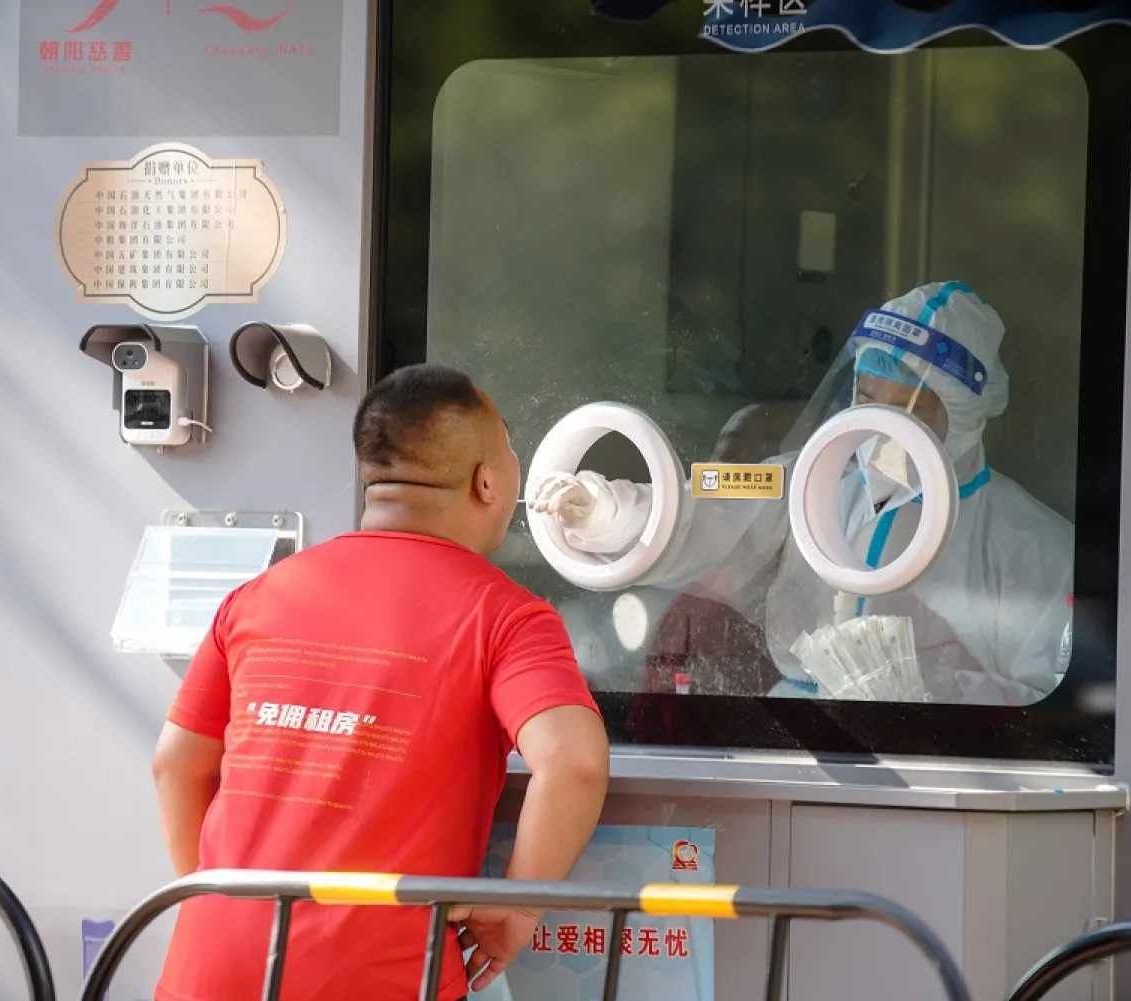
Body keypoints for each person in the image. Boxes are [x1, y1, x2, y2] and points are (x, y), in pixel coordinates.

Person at [151, 364, 609, 1001]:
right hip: (389, 973)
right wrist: (515, 910)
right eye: (510, 451)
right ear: (487, 481)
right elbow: (575, 763)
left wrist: (214, 901)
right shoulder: (505, 616)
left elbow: (175, 763)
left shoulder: (260, 595)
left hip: (215, 966)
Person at [529, 281, 1074, 706]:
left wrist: (934, 697)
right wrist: (609, 510)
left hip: (938, 763)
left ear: (960, 414)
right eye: (864, 394)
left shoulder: (1027, 541)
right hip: (795, 733)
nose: (876, 421)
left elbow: (1047, 699)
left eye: (903, 404)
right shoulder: (810, 480)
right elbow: (712, 514)